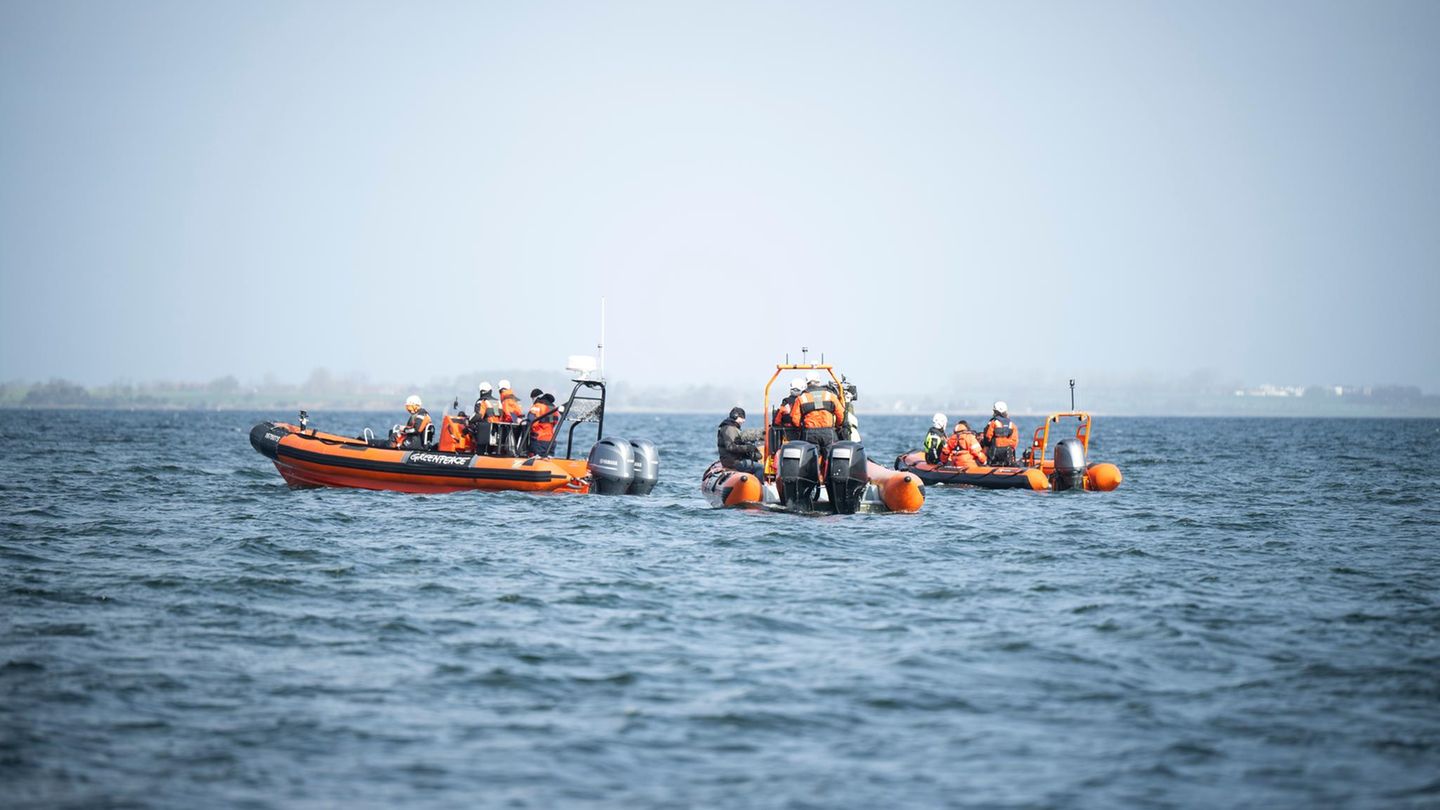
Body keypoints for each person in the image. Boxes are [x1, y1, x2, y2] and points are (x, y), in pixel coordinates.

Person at [789, 371, 845, 452]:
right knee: (830, 457)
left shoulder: (801, 398)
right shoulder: (830, 396)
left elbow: (795, 419)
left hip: (809, 433)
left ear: (807, 382)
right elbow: (841, 415)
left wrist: (802, 428)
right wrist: (837, 425)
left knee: (811, 457)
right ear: (819, 381)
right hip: (828, 432)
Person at [717, 407, 762, 474]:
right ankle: (760, 484)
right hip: (733, 462)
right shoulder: (730, 429)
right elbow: (731, 447)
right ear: (736, 416)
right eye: (742, 418)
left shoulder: (731, 427)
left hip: (732, 460)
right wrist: (748, 448)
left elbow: (736, 442)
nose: (744, 420)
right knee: (760, 468)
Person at [982, 401, 1020, 466]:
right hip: (1007, 453)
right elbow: (1015, 442)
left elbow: (988, 437)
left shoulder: (993, 423)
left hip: (994, 452)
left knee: (990, 463)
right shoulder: (1012, 424)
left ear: (996, 412)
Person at [525, 392, 563, 457]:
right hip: (551, 441)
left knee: (536, 461)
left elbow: (530, 422)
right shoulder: (553, 407)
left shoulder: (537, 406)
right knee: (548, 460)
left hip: (539, 441)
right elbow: (554, 423)